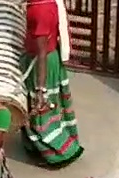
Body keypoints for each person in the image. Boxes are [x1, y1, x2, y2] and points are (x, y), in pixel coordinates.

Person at [22, 0, 84, 167]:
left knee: (41, 113)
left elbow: (41, 52)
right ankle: (36, 146)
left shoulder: (39, 10)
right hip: (43, 60)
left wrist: (41, 90)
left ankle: (58, 155)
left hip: (41, 66)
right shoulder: (44, 3)